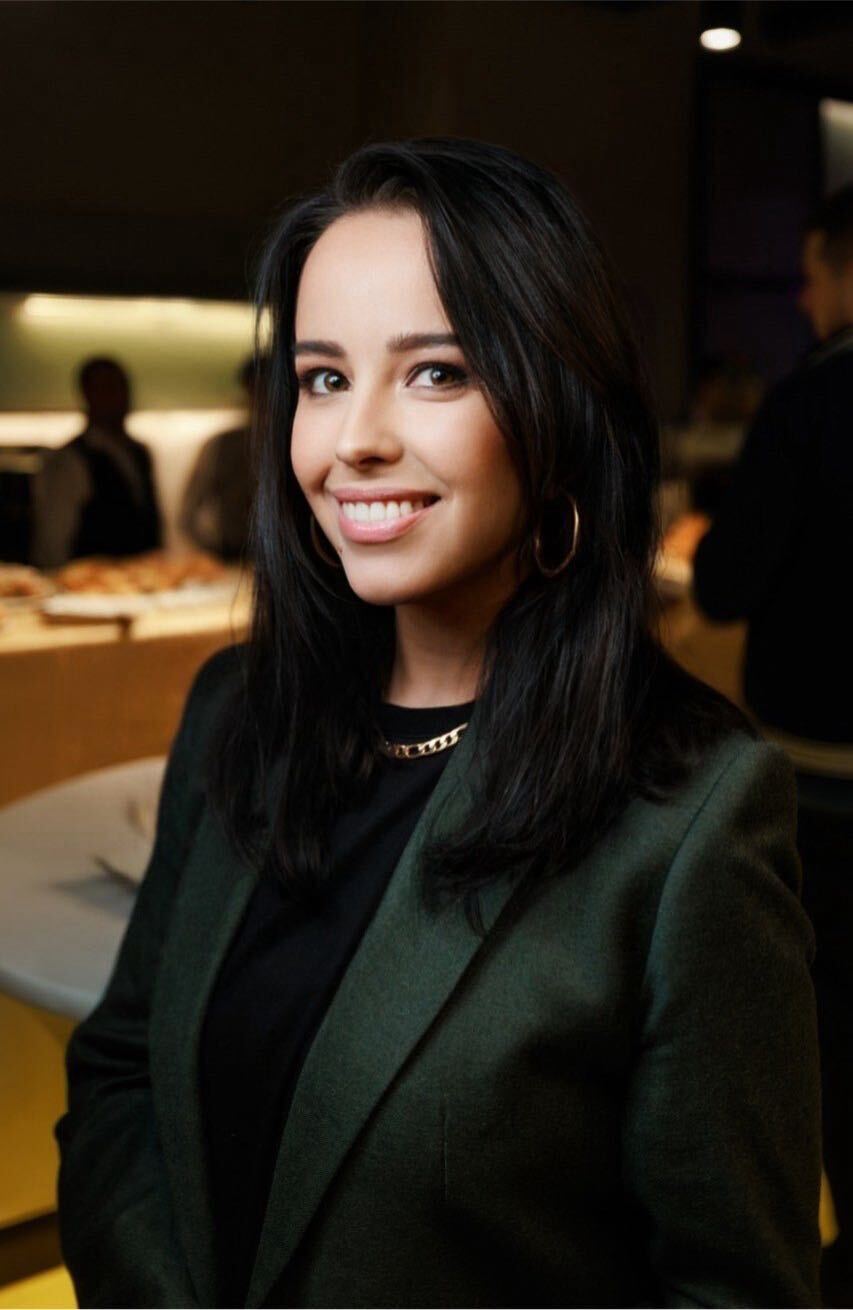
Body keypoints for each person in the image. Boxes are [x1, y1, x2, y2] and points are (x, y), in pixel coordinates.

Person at [55, 138, 821, 1309]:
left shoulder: (690, 816)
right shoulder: (238, 710)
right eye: (321, 378)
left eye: (435, 371)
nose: (354, 438)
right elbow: (120, 1073)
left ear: (557, 405)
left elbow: (732, 1288)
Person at [692, 183, 853, 1306]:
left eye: (814, 271)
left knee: (825, 1040)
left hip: (825, 778)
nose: (802, 295)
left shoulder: (808, 405)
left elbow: (725, 582)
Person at [30, 357, 162, 569]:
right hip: (90, 582)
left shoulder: (139, 452)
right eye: (106, 388)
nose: (118, 398)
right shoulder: (70, 459)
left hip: (144, 579)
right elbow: (53, 539)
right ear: (87, 395)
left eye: (121, 388)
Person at [179, 355, 264, 561]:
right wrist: (214, 552)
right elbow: (188, 514)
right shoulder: (222, 445)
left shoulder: (298, 442)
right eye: (258, 389)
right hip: (234, 554)